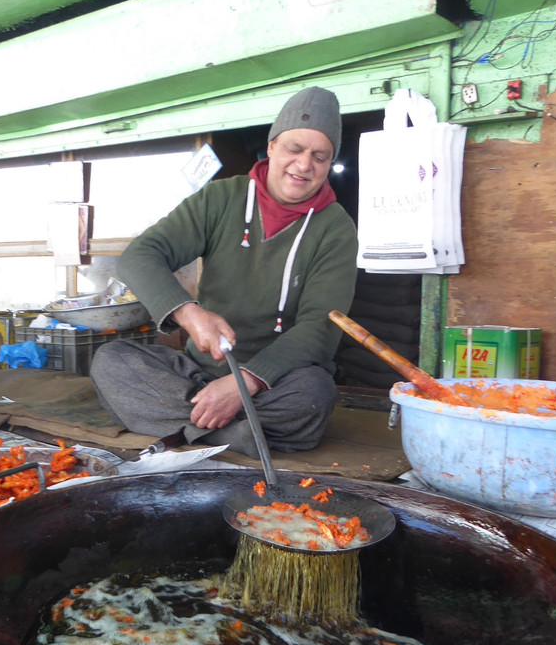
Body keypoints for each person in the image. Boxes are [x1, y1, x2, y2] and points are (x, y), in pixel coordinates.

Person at [90, 86, 357, 458]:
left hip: (276, 381)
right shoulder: (221, 198)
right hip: (200, 372)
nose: (303, 165)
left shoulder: (336, 228)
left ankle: (195, 428)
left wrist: (244, 384)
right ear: (273, 145)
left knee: (314, 394)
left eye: (320, 156)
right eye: (294, 149)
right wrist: (189, 313)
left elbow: (321, 328)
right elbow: (140, 255)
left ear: (329, 164)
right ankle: (238, 434)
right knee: (112, 361)